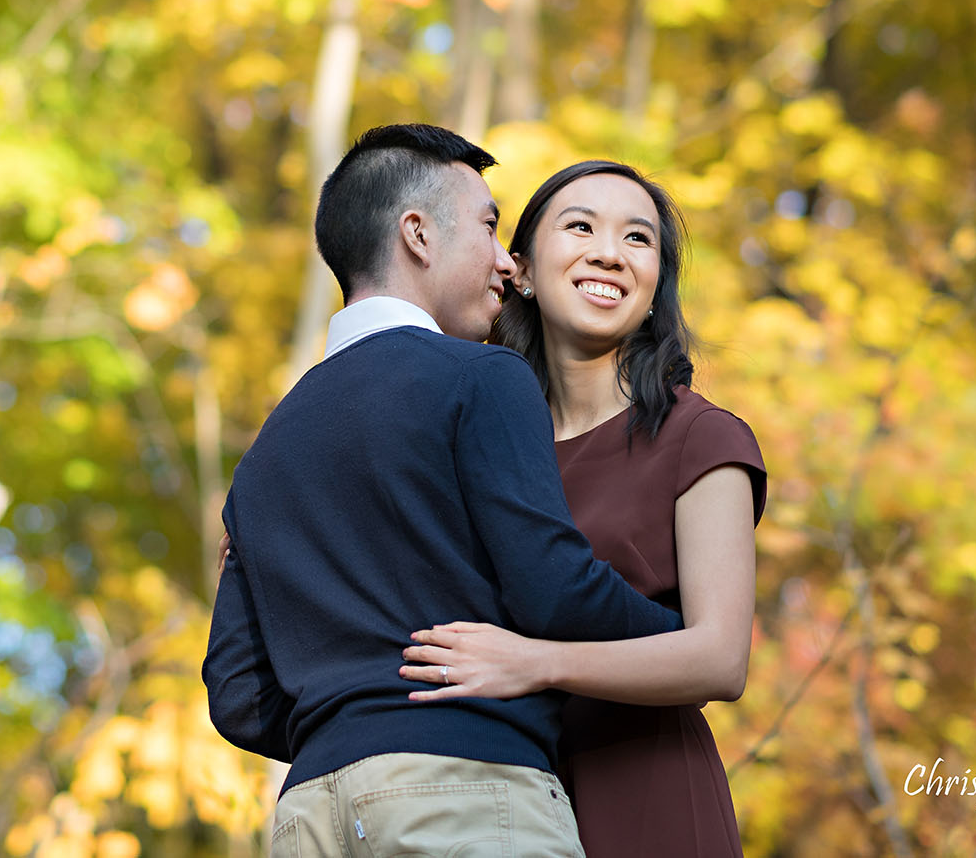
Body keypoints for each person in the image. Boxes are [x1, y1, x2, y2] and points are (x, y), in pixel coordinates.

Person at [203, 125, 684, 857]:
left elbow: (236, 692)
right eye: (489, 226)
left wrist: (352, 720)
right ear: (418, 235)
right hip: (464, 790)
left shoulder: (264, 452)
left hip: (309, 814)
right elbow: (553, 588)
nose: (504, 261)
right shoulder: (480, 377)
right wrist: (673, 641)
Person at [395, 159, 767, 857]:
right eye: (581, 226)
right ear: (522, 271)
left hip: (649, 798)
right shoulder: (481, 446)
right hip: (490, 804)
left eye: (637, 238)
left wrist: (537, 662)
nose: (608, 251)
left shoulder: (701, 436)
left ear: (657, 285)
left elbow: (721, 658)